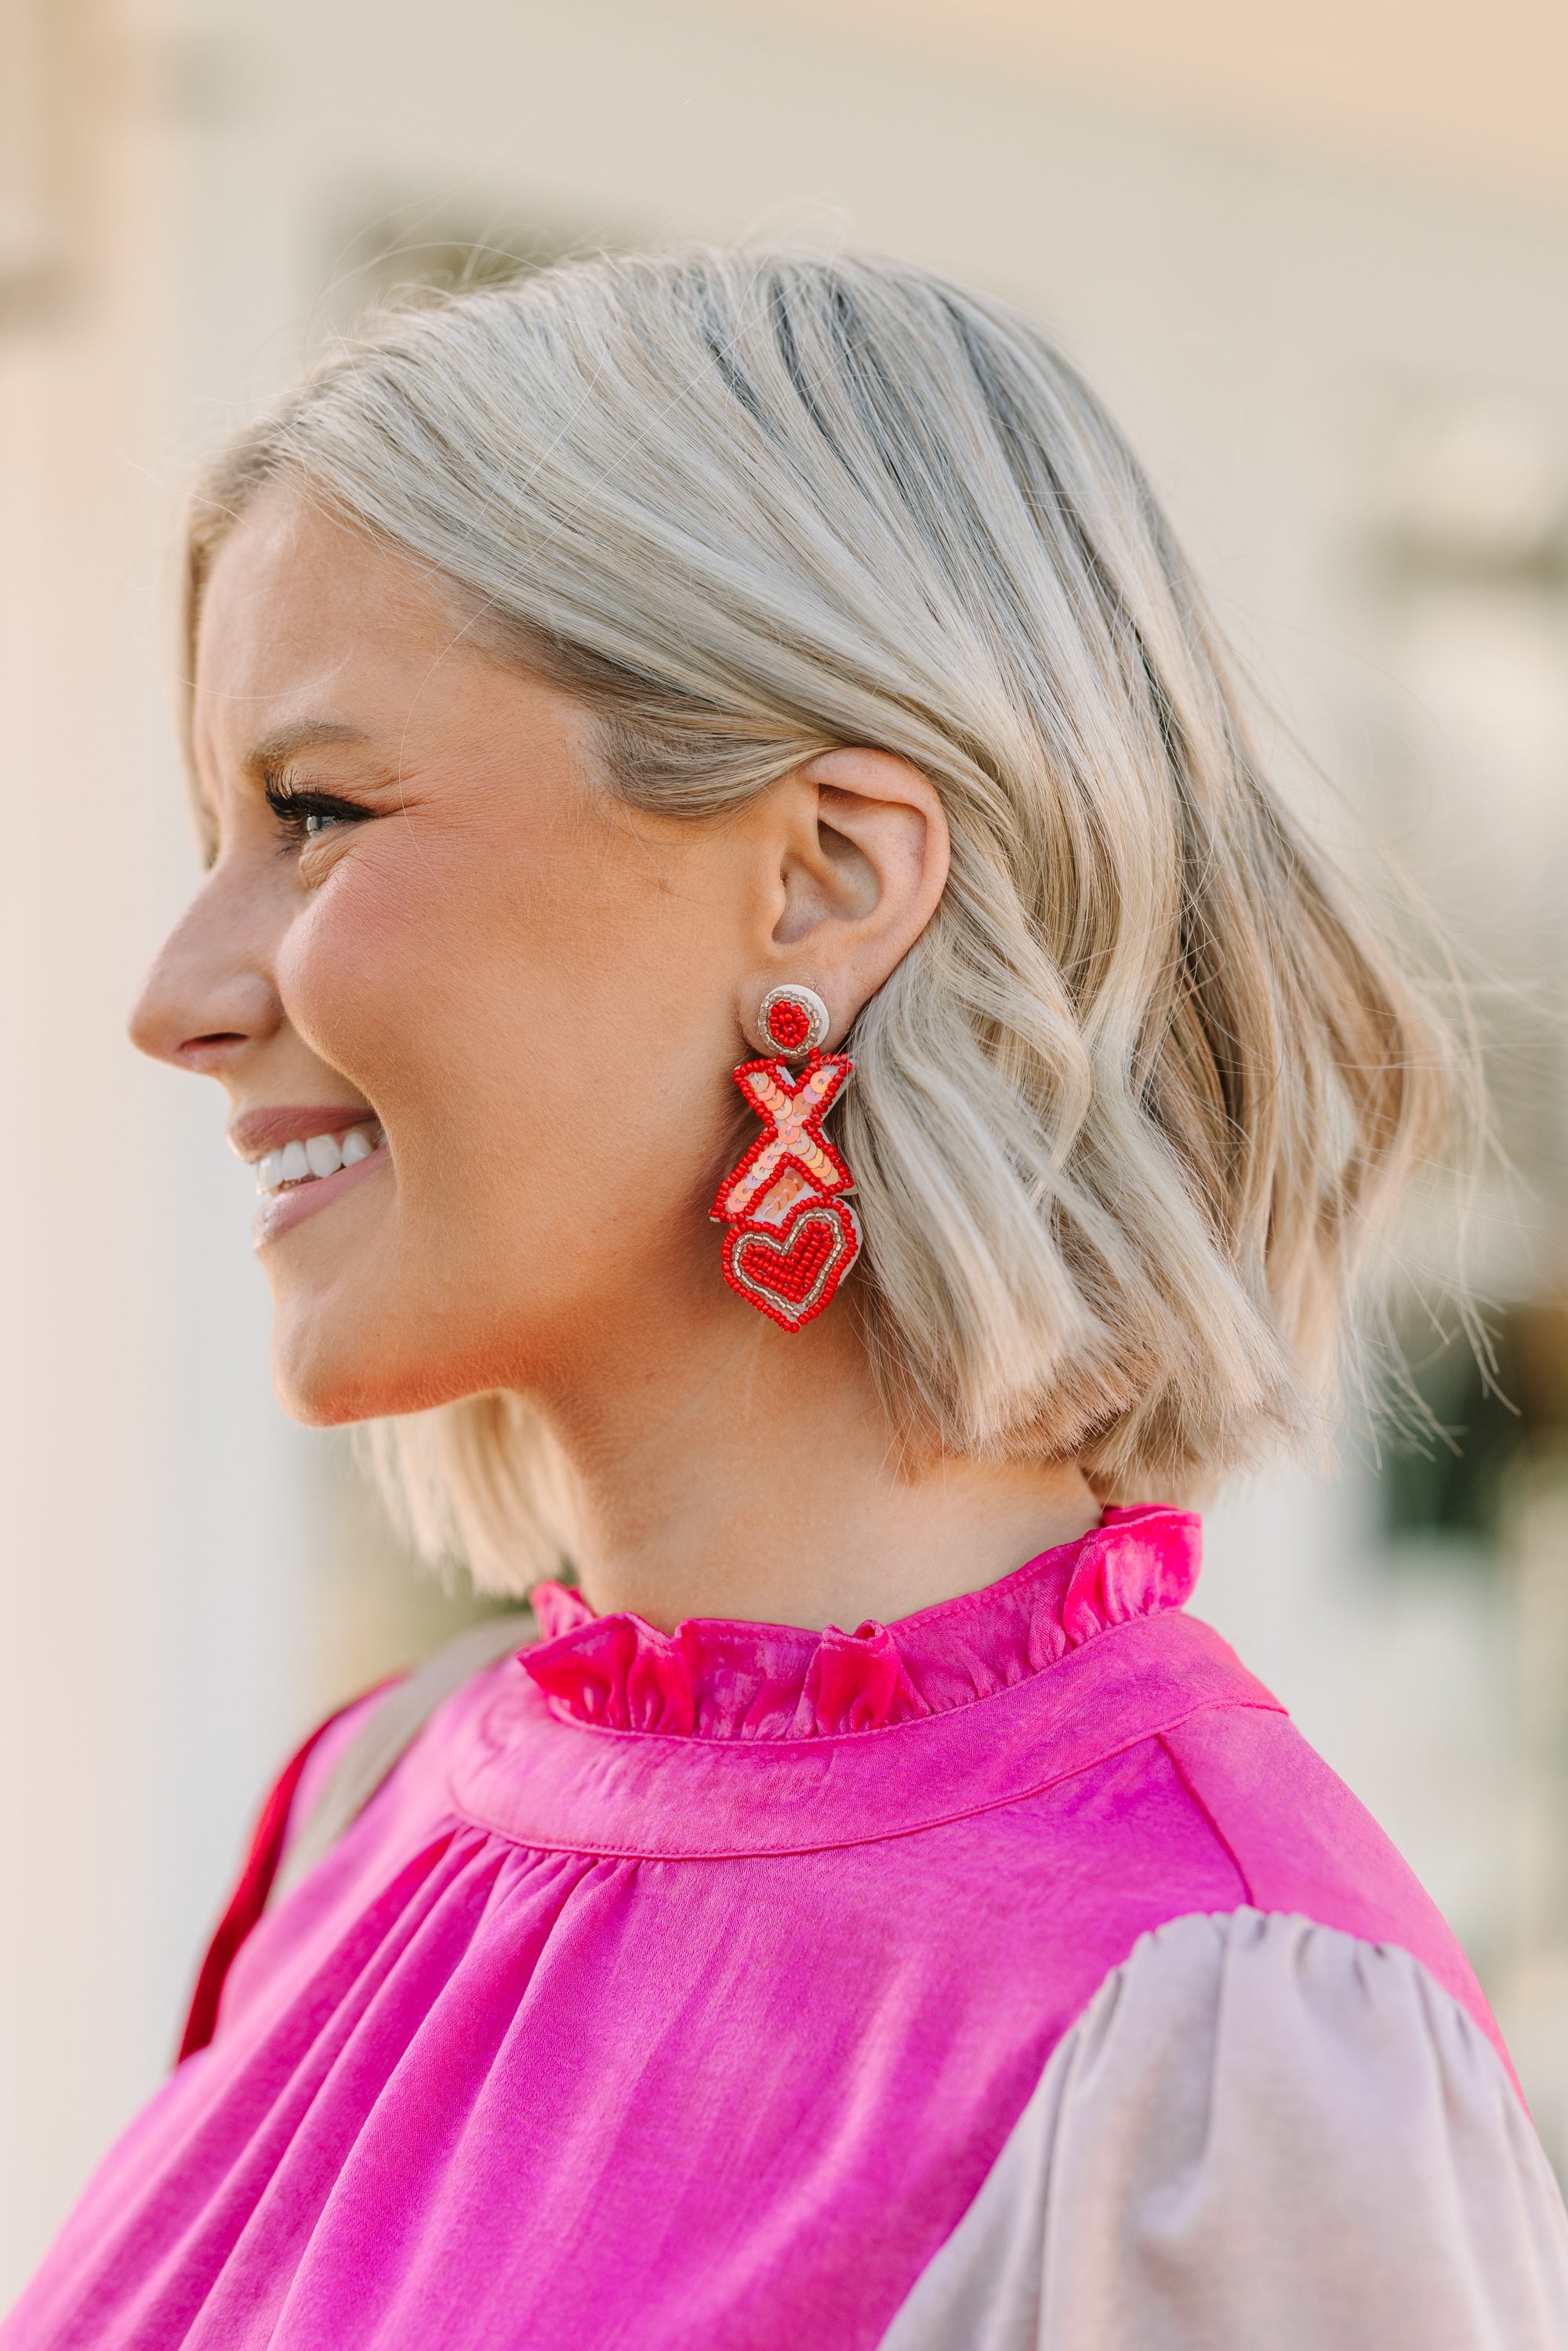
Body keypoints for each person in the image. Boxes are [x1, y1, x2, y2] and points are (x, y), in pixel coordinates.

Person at [5, 247, 1566, 2351]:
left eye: (314, 815)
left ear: (828, 873)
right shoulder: (371, 1811)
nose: (177, 996)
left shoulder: (1219, 2045)